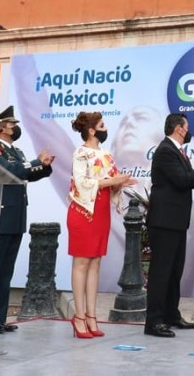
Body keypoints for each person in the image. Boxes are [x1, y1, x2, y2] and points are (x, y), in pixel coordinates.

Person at [144, 113, 194, 337]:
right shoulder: (166, 150)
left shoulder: (177, 151)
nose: (189, 131)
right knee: (161, 272)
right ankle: (154, 321)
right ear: (179, 128)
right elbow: (185, 181)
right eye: (187, 127)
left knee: (174, 271)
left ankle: (170, 314)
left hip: (175, 221)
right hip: (164, 222)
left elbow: (188, 179)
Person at [0, 105, 55, 334]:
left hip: (15, 217)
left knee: (6, 272)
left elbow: (26, 174)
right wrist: (35, 162)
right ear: (1, 128)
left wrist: (42, 166)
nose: (15, 128)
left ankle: (0, 318)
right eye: (12, 125)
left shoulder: (16, 151)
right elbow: (11, 171)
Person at [67, 112, 136, 338]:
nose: (106, 129)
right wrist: (111, 181)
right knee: (81, 262)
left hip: (101, 212)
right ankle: (78, 316)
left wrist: (121, 182)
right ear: (92, 130)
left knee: (95, 262)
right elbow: (81, 182)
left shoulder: (106, 155)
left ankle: (91, 315)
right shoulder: (81, 153)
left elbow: (111, 183)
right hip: (83, 211)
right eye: (102, 125)